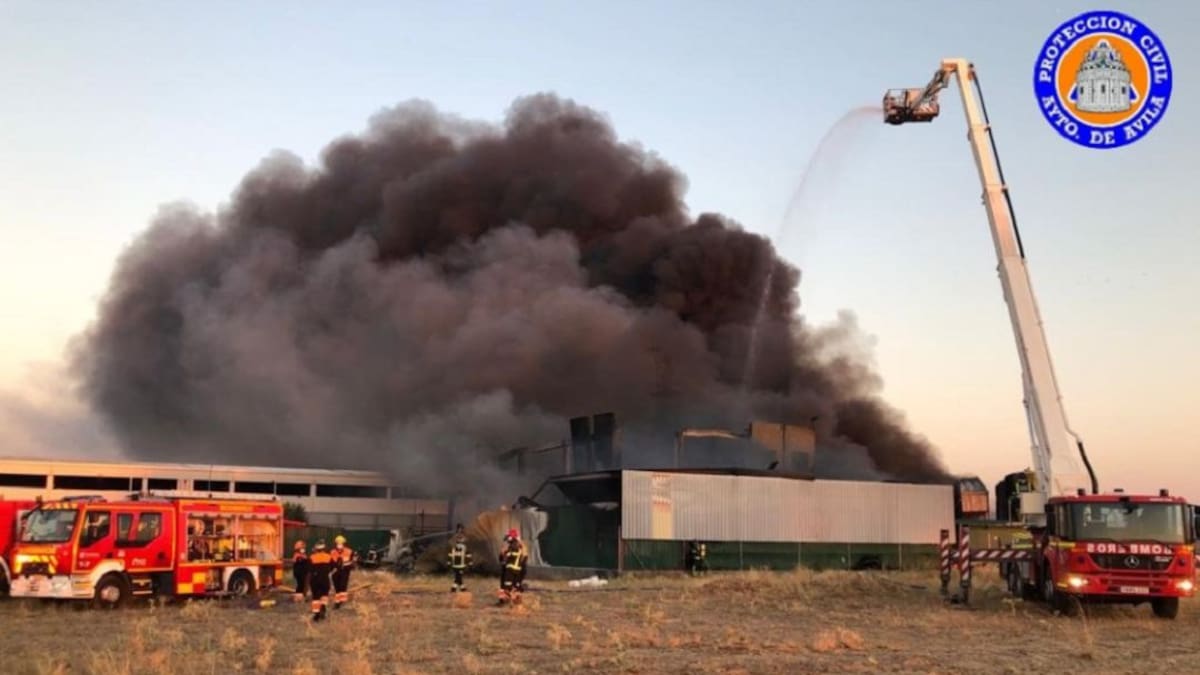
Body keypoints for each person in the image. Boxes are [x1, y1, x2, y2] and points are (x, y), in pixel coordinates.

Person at [497, 529, 527, 603]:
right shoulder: (519, 547)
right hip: (512, 570)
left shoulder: (515, 547)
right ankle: (504, 600)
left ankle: (512, 601)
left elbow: (504, 557)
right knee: (507, 586)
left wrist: (503, 553)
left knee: (510, 587)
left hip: (512, 570)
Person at [308, 541, 333, 621]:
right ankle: (323, 608)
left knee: (316, 597)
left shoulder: (312, 557)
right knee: (324, 595)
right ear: (324, 549)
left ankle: (316, 614)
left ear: (316, 549)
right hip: (325, 579)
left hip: (315, 579)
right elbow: (333, 566)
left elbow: (309, 569)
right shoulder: (328, 557)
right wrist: (327, 572)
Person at [330, 534, 355, 608]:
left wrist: (348, 565)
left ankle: (340, 602)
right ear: (336, 544)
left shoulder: (349, 551)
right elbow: (330, 562)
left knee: (342, 585)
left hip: (345, 571)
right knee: (337, 587)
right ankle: (339, 600)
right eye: (338, 544)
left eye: (341, 544)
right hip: (335, 571)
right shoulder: (332, 552)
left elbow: (352, 562)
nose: (339, 545)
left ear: (344, 544)